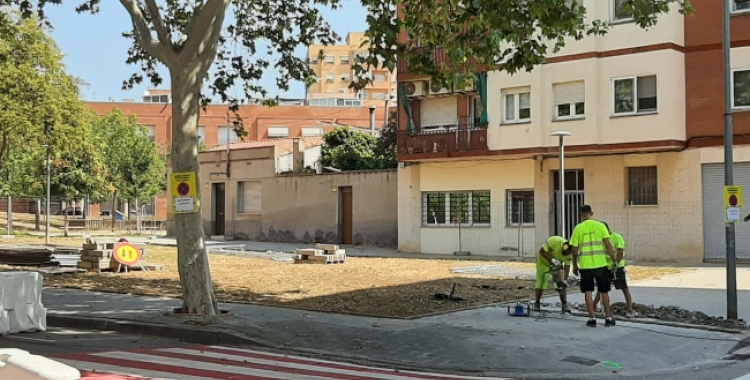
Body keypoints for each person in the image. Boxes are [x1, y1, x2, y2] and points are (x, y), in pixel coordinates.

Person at [570, 205, 618, 327]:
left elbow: (574, 250)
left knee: (587, 292)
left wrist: (575, 265)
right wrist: (614, 260)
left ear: (581, 215)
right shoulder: (601, 226)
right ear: (592, 213)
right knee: (604, 291)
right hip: (601, 264)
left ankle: (592, 319)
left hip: (585, 266)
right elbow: (608, 246)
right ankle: (608, 318)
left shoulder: (578, 229)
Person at [593, 223, 636, 317]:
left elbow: (620, 251)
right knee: (602, 289)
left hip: (617, 268)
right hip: (605, 268)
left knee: (624, 288)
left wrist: (615, 264)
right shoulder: (601, 239)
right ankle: (593, 306)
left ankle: (629, 308)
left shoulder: (616, 237)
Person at [533, 236, 573, 313]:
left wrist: (565, 279)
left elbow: (567, 266)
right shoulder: (554, 241)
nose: (568, 255)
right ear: (563, 249)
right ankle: (537, 303)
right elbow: (541, 251)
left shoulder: (569, 252)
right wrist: (552, 259)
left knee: (561, 284)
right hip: (543, 262)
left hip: (556, 266)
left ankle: (564, 304)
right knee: (540, 282)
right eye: (567, 253)